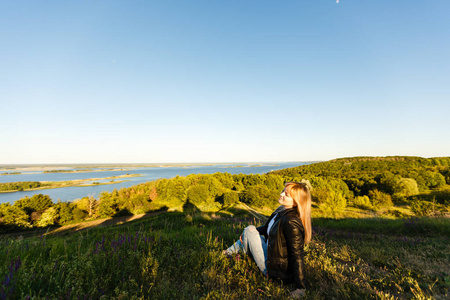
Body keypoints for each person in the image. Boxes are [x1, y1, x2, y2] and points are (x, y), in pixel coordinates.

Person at [223, 182, 312, 298]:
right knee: (250, 231)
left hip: (276, 271)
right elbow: (266, 229)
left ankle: (228, 254)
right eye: (283, 191)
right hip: (272, 255)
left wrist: (301, 287)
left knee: (249, 229)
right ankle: (229, 253)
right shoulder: (281, 211)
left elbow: (297, 255)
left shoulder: (291, 221)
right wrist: (248, 235)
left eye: (287, 194)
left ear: (296, 202)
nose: (281, 194)